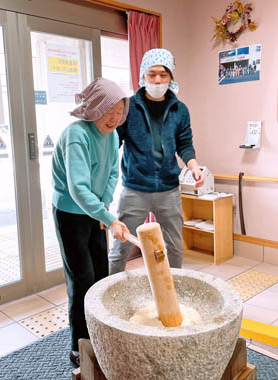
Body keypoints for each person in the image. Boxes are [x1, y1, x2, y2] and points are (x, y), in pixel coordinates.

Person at [52, 77, 130, 367]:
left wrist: (104, 210)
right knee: (82, 278)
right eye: (109, 110)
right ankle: (78, 344)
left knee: (101, 274)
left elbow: (112, 173)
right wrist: (109, 219)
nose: (115, 118)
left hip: (96, 212)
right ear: (94, 107)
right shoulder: (77, 135)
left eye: (120, 111)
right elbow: (78, 188)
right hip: (71, 213)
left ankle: (100, 333)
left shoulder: (111, 135)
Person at [109, 48, 204, 275]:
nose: (158, 80)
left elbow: (185, 143)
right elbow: (114, 144)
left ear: (171, 76)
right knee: (119, 246)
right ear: (142, 75)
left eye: (163, 74)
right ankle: (109, 294)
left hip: (169, 190)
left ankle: (172, 295)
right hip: (134, 189)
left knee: (174, 247)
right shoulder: (128, 107)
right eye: (152, 74)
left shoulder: (180, 109)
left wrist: (194, 166)